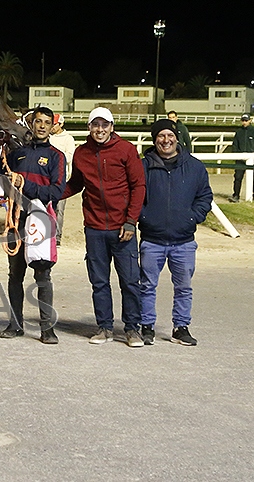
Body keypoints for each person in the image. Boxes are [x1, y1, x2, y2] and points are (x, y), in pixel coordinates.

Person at [62, 107, 146, 347]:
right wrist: (48, 194)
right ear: (89, 127)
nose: (100, 130)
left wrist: (130, 221)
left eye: (104, 125)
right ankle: (104, 327)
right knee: (99, 282)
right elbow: (75, 184)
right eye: (95, 125)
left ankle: (132, 329)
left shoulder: (126, 150)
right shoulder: (81, 153)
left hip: (123, 228)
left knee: (130, 282)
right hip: (95, 228)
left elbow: (138, 186)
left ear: (112, 127)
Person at [0, 107, 66, 344]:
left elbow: (56, 191)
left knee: (42, 274)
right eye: (38, 121)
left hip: (40, 221)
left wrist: (25, 184)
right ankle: (15, 324)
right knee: (15, 274)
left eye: (46, 122)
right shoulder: (18, 153)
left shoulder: (56, 156)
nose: (41, 126)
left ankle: (47, 329)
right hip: (16, 220)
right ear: (31, 124)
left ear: (52, 127)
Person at [139, 119, 213, 347]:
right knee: (147, 285)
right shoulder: (143, 167)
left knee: (183, 287)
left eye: (170, 135)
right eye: (161, 136)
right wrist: (145, 217)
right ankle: (146, 326)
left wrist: (192, 217)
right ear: (155, 140)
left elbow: (205, 196)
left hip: (184, 241)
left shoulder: (195, 167)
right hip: (152, 239)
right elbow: (133, 196)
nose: (166, 140)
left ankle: (181, 327)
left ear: (176, 138)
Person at [48, 113, 75, 245]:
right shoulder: (47, 137)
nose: (51, 127)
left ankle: (57, 236)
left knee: (59, 209)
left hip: (61, 179)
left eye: (54, 124)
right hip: (47, 179)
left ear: (61, 124)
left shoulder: (68, 139)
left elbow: (69, 157)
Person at [230, 113, 254, 203]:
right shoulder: (239, 132)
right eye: (243, 121)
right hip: (240, 159)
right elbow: (235, 145)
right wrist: (236, 155)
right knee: (237, 178)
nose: (244, 122)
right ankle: (236, 195)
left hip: (252, 159)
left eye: (246, 120)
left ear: (250, 121)